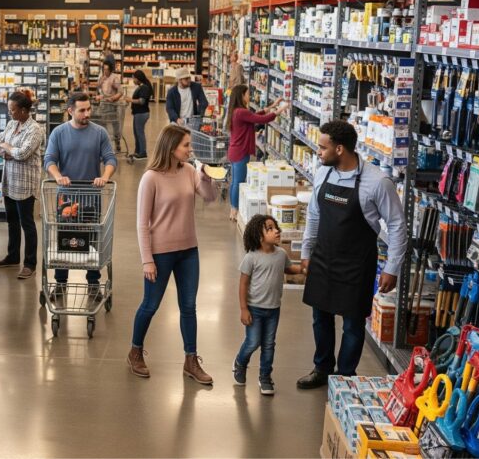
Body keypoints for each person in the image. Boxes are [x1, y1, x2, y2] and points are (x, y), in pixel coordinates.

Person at [297, 120, 407, 389]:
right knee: (320, 317)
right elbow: (314, 215)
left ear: (340, 149)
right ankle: (322, 368)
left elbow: (397, 225)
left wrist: (392, 268)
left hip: (357, 263)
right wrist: (306, 251)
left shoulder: (377, 182)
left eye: (323, 147)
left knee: (353, 324)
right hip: (323, 256)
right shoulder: (323, 174)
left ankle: (345, 376)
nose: (318, 152)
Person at [129, 123, 218, 384]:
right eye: (186, 145)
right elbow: (141, 223)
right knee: (150, 305)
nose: (190, 149)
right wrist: (147, 259)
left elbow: (210, 197)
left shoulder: (189, 171)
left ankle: (191, 360)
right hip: (160, 254)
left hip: (189, 250)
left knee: (189, 306)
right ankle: (135, 351)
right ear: (171, 148)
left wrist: (206, 176)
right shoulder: (151, 178)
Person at [44, 92, 117, 295]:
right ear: (70, 111)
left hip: (91, 196)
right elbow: (49, 159)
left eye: (89, 109)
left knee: (92, 240)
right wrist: (58, 176)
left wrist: (105, 176)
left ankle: (93, 283)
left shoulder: (99, 133)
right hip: (65, 197)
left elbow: (110, 159)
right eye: (82, 110)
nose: (87, 113)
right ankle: (60, 283)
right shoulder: (58, 133)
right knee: (65, 239)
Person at [233, 214, 302, 395]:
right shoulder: (251, 257)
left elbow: (288, 268)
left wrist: (303, 269)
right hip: (254, 308)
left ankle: (265, 377)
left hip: (273, 309)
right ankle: (240, 362)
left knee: (269, 344)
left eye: (276, 227)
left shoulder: (281, 254)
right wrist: (243, 309)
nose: (276, 231)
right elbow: (243, 284)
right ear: (258, 235)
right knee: (253, 342)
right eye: (269, 229)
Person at [0, 89, 44, 280]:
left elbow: (23, 154)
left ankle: (30, 263)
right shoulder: (11, 124)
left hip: (25, 184)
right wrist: (8, 150)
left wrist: (8, 147)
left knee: (27, 223)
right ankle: (13, 256)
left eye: (12, 109)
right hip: (9, 181)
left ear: (23, 110)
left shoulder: (35, 130)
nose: (9, 113)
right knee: (12, 221)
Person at [225, 85, 289, 221]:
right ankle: (234, 209)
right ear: (242, 96)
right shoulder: (241, 112)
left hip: (236, 150)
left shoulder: (237, 111)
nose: (249, 96)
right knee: (238, 181)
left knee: (235, 181)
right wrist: (280, 110)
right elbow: (262, 119)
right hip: (240, 152)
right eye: (248, 94)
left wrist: (273, 106)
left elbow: (255, 116)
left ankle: (233, 208)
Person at [95, 62, 125, 152]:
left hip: (112, 105)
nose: (105, 71)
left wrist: (113, 98)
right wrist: (100, 83)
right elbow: (98, 87)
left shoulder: (114, 78)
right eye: (104, 69)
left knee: (115, 123)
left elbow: (121, 91)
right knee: (101, 123)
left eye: (107, 69)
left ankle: (117, 141)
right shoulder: (102, 77)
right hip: (103, 104)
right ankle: (104, 141)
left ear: (110, 70)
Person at [127, 70, 154, 160]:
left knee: (139, 133)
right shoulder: (141, 87)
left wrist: (130, 100)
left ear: (138, 78)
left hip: (141, 113)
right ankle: (137, 151)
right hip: (138, 113)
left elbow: (142, 101)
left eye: (134, 78)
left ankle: (143, 153)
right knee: (136, 133)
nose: (133, 80)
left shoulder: (144, 88)